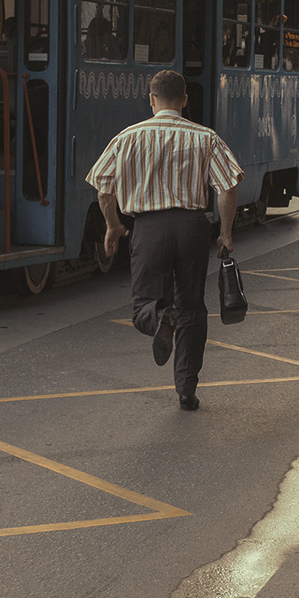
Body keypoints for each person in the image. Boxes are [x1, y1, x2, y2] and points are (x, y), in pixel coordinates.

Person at [86, 70, 244, 411]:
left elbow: (103, 186)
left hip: (148, 228)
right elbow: (227, 187)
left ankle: (159, 318)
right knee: (193, 308)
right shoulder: (205, 137)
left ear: (151, 98)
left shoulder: (127, 137)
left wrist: (113, 226)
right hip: (191, 227)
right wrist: (226, 233)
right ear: (185, 100)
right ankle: (186, 390)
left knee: (144, 304)